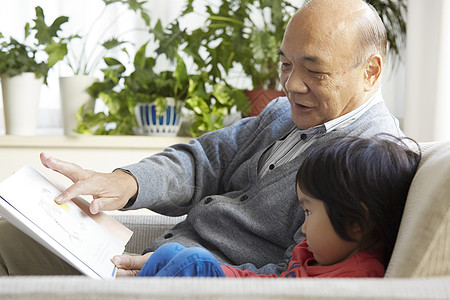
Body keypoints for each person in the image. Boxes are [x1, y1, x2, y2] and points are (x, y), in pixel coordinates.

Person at [0, 0, 406, 277]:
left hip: (191, 283)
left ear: (370, 71)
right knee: (7, 237)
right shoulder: (282, 114)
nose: (292, 83)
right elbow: (205, 159)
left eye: (314, 71)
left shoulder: (368, 161)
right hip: (154, 259)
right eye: (285, 63)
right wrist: (127, 182)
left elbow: (297, 276)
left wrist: (187, 275)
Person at [135, 135, 421, 278]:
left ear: (355, 223)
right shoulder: (314, 254)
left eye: (308, 212)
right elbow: (275, 281)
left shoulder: (359, 276)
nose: (304, 226)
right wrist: (224, 274)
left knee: (191, 263)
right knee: (175, 253)